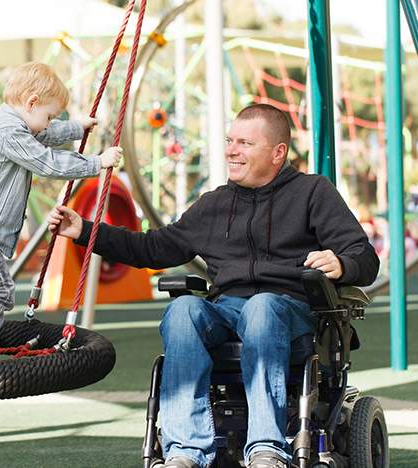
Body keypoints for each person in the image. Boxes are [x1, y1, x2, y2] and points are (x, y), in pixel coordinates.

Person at [48, 104, 379, 468]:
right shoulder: (214, 205)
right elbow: (152, 248)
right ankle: (185, 452)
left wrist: (342, 263)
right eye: (229, 140)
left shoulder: (313, 193)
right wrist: (84, 231)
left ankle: (266, 449)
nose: (231, 150)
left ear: (277, 152)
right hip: (227, 310)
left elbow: (364, 257)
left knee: (263, 307)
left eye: (244, 143)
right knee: (183, 309)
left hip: (290, 311)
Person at [0, 62, 122, 363]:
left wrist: (76, 127)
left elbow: (43, 134)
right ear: (31, 102)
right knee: (0, 292)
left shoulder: (6, 126)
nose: (47, 123)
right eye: (48, 115)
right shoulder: (11, 135)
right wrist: (98, 163)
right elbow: (48, 163)